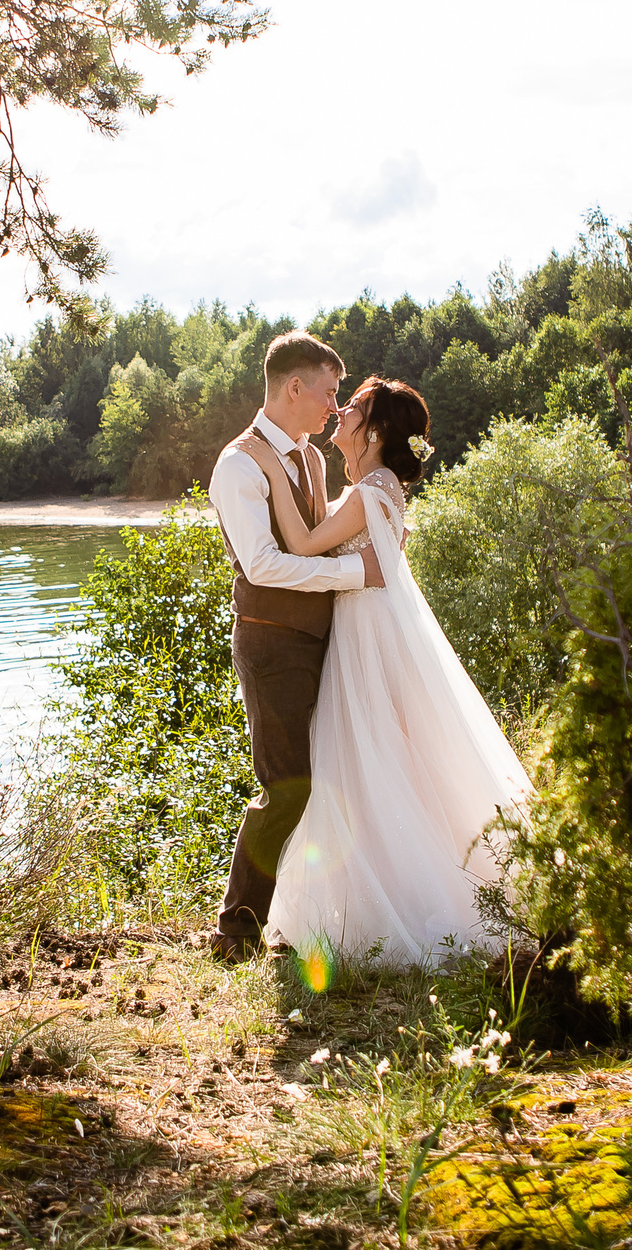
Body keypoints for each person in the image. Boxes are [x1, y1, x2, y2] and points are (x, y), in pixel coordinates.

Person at [238, 375, 532, 968]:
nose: (340, 411)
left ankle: (375, 903)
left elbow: (302, 544)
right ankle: (375, 887)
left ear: (372, 432)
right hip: (367, 627)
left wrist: (269, 467)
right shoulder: (380, 489)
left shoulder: (369, 491)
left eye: (353, 407)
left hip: (363, 635)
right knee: (381, 757)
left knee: (363, 756)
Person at [200, 331, 382, 963]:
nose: (335, 407)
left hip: (324, 637)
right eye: (329, 393)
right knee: (286, 787)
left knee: (329, 775)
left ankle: (314, 916)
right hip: (271, 643)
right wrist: (356, 574)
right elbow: (262, 565)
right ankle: (235, 929)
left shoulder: (309, 458)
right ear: (294, 387)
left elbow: (316, 536)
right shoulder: (239, 465)